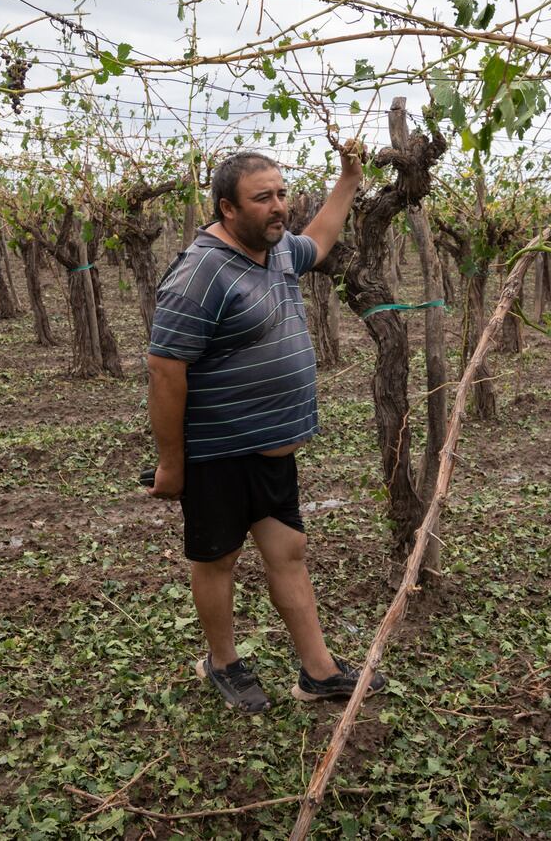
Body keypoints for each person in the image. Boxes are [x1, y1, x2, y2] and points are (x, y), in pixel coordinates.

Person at [145, 146, 386, 713]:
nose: (280, 207)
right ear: (227, 208)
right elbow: (164, 369)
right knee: (217, 559)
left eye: (282, 194)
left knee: (290, 551)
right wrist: (172, 463)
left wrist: (349, 180)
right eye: (264, 198)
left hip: (270, 449)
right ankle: (222, 661)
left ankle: (317, 672)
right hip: (217, 451)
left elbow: (320, 238)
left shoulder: (275, 252)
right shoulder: (200, 272)